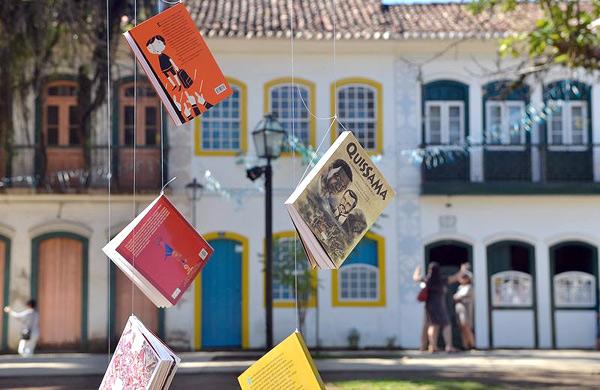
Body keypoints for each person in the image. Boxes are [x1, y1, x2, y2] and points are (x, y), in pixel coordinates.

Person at [413, 262, 468, 353]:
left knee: (433, 325)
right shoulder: (441, 280)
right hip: (439, 306)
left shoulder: (427, 280)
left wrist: (417, 270)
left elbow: (415, 278)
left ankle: (432, 346)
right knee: (446, 324)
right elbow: (455, 277)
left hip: (429, 306)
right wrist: (462, 270)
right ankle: (449, 346)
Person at [454, 271, 475, 350]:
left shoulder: (469, 287)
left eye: (464, 277)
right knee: (462, 328)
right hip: (459, 309)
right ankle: (465, 345)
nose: (462, 279)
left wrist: (457, 297)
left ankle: (472, 345)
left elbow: (458, 297)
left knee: (467, 327)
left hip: (466, 310)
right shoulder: (460, 287)